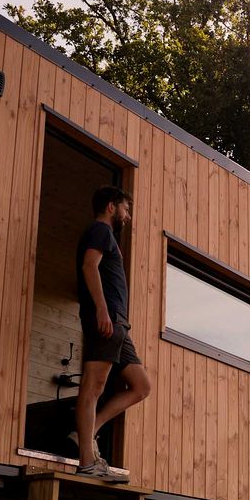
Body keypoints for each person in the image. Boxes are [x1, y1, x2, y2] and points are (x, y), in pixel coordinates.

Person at [74, 185, 151, 482]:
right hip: (106, 319)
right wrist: (102, 310)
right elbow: (89, 266)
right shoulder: (100, 231)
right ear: (111, 206)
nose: (128, 216)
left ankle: (89, 429)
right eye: (126, 209)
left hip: (119, 324)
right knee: (94, 386)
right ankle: (86, 462)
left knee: (141, 386)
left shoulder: (106, 236)